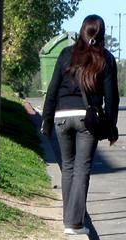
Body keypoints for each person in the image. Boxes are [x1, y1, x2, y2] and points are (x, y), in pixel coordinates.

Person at [41, 14, 119, 235]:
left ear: (82, 31)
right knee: (82, 167)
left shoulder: (67, 54)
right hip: (88, 119)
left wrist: (47, 119)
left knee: (68, 167)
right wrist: (110, 127)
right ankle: (74, 223)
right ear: (101, 34)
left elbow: (53, 89)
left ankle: (70, 219)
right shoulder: (106, 59)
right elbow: (112, 98)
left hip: (62, 117)